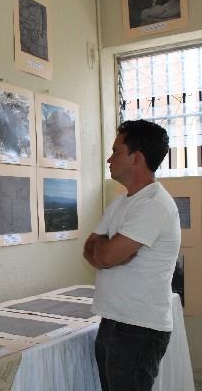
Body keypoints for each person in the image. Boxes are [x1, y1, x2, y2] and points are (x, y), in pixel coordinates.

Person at [83, 119, 180, 391]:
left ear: (136, 158)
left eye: (116, 151)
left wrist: (108, 253)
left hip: (139, 330)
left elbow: (104, 255)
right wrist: (110, 253)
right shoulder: (122, 203)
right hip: (113, 322)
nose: (109, 158)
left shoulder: (154, 204)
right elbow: (91, 250)